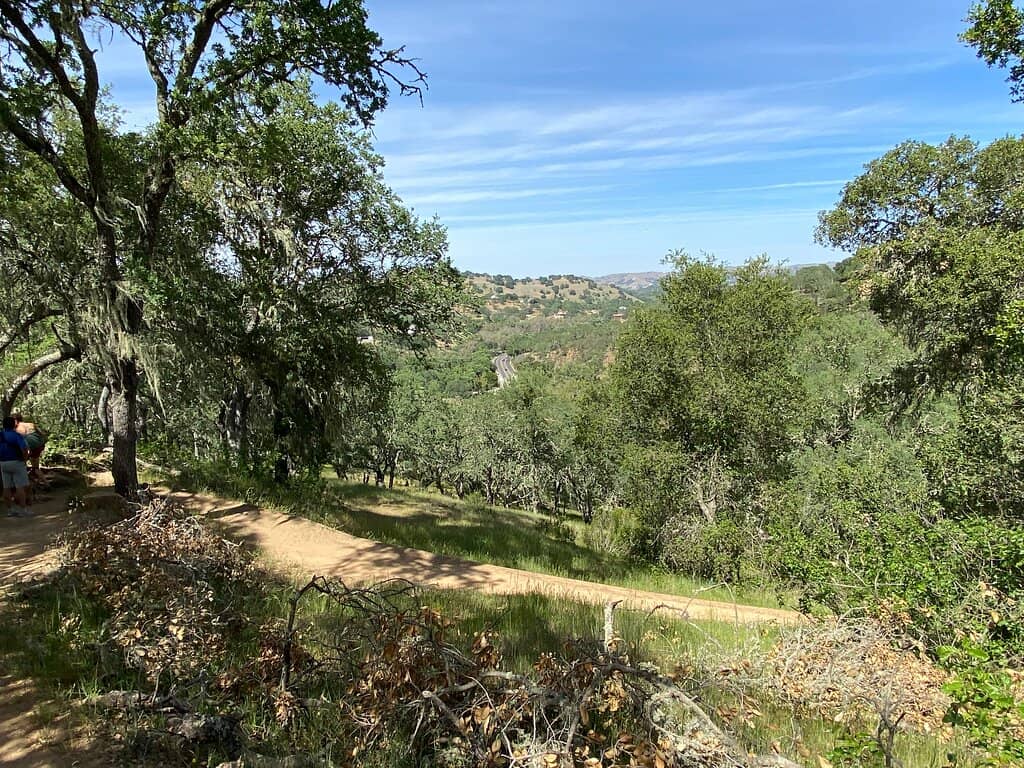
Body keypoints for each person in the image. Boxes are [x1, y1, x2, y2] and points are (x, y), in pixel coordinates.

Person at [1, 415, 31, 517]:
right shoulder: (16, 435)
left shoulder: (0, 435)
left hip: (3, 463)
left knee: (6, 487)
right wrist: (25, 459)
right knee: (20, 486)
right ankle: (23, 510)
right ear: (14, 424)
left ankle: (10, 510)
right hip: (16, 462)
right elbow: (24, 448)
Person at [12, 413, 46, 480]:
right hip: (39, 446)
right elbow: (42, 434)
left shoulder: (19, 427)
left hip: (30, 447)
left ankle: (24, 484)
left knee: (20, 464)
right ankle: (46, 483)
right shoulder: (30, 424)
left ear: (15, 420)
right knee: (36, 468)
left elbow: (20, 440)